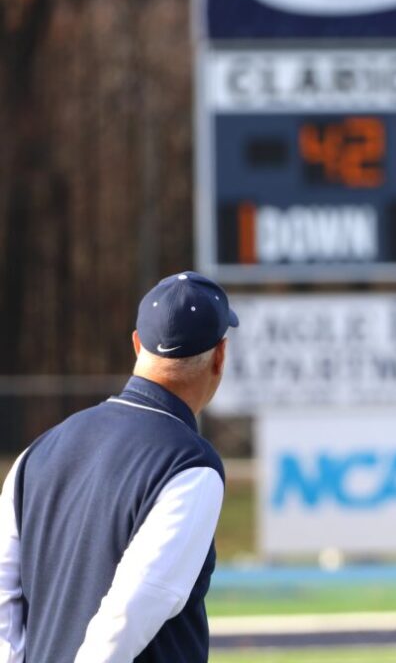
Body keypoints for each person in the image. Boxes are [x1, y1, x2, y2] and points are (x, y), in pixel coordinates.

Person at [0, 271, 238, 662]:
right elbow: (131, 611)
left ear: (137, 344)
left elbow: (5, 601)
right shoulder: (190, 464)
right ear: (220, 356)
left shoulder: (38, 451)